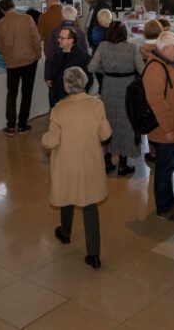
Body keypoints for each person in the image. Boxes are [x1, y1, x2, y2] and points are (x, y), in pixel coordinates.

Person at [43, 67, 112, 269]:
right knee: (90, 206)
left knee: (66, 194)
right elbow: (105, 134)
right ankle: (94, 254)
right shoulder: (96, 105)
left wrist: (44, 139)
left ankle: (65, 233)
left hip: (67, 163)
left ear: (66, 85)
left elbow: (51, 141)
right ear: (85, 83)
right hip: (90, 163)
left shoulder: (59, 109)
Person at [89, 22, 145, 175]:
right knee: (127, 122)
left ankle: (107, 161)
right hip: (127, 87)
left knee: (109, 120)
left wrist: (106, 70)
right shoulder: (132, 48)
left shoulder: (102, 46)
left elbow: (91, 67)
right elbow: (142, 69)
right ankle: (123, 164)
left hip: (109, 86)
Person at [144, 31, 174, 222]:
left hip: (173, 127)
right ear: (166, 48)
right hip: (165, 130)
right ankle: (163, 208)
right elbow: (156, 101)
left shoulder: (166, 63)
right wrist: (169, 128)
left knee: (168, 167)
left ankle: (169, 199)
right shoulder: (156, 68)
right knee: (163, 170)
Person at [0, 0, 43, 135]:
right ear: (14, 6)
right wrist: (38, 55)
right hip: (29, 61)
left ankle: (10, 126)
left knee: (12, 94)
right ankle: (22, 124)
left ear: (2, 10)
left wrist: (7, 57)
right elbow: (36, 39)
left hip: (11, 63)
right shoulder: (27, 19)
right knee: (27, 93)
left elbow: (0, 46)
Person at [46, 27, 94, 107]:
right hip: (55, 98)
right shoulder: (58, 53)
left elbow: (87, 82)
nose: (58, 40)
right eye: (59, 37)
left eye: (62, 38)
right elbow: (54, 72)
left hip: (72, 101)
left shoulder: (84, 58)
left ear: (71, 40)